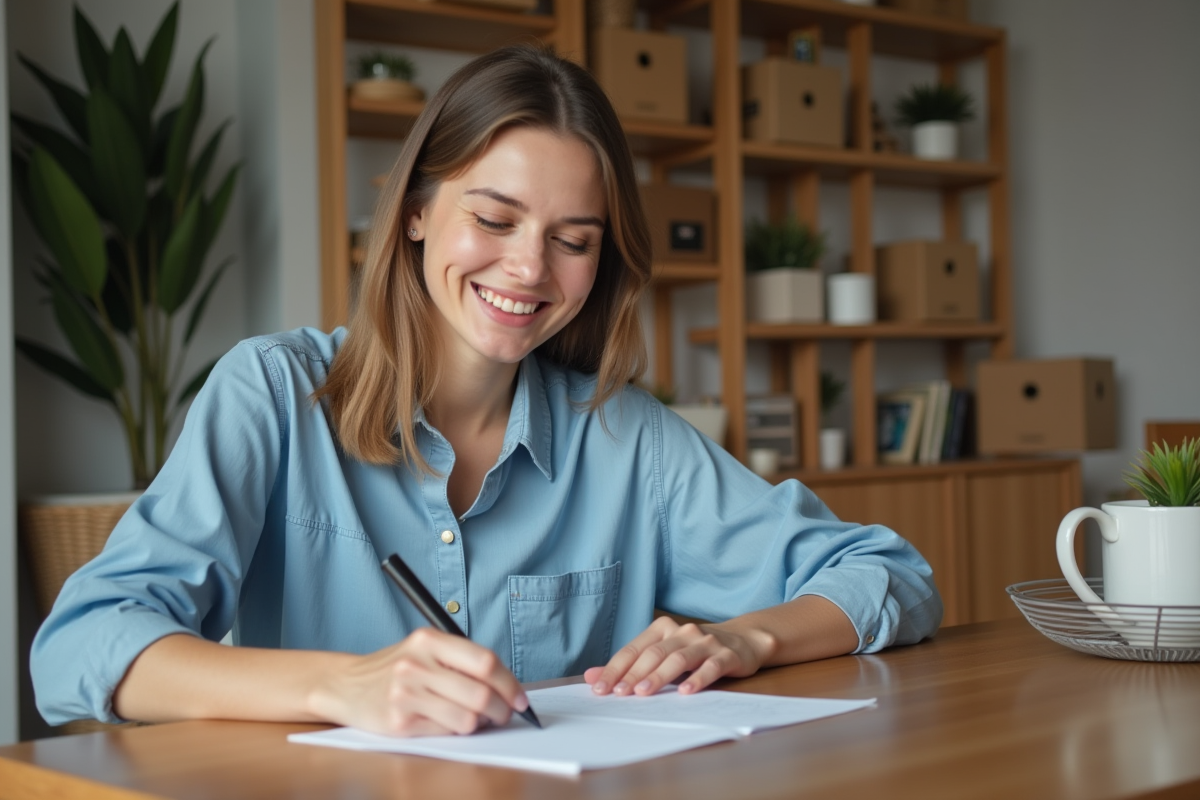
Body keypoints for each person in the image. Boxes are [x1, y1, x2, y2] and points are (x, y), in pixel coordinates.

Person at [32, 45, 942, 737]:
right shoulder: (273, 393)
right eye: (495, 218)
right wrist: (335, 685)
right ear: (419, 211)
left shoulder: (626, 438)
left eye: (573, 239)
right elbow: (80, 646)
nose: (528, 267)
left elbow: (889, 574)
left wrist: (750, 639)